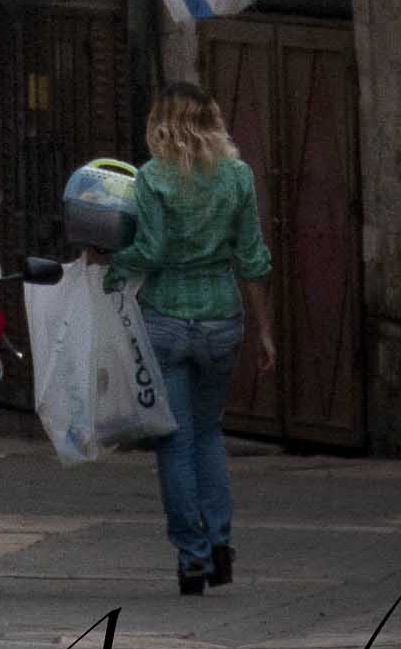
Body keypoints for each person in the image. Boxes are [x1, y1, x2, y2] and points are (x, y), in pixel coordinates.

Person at [108, 84, 275, 594]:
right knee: (209, 433)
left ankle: (192, 555)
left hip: (166, 319)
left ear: (162, 123)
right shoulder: (238, 178)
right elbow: (252, 257)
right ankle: (221, 540)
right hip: (223, 317)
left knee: (173, 440)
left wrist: (112, 266)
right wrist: (265, 328)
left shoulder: (152, 179)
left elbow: (151, 250)